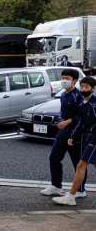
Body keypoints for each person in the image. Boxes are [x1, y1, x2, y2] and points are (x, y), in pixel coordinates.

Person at [40, 68, 86, 198]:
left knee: (77, 162)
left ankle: (80, 190)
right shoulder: (64, 94)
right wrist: (62, 121)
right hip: (63, 131)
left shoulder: (79, 96)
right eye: (63, 78)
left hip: (76, 132)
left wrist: (68, 121)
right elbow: (63, 112)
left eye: (67, 78)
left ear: (74, 81)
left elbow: (83, 116)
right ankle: (56, 186)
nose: (64, 80)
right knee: (54, 157)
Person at [53, 75, 96, 206]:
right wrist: (73, 136)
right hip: (88, 137)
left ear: (93, 88)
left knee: (81, 165)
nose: (83, 89)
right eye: (81, 87)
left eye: (86, 87)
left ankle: (71, 196)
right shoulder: (83, 104)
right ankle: (75, 194)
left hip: (94, 138)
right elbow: (81, 123)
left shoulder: (94, 104)